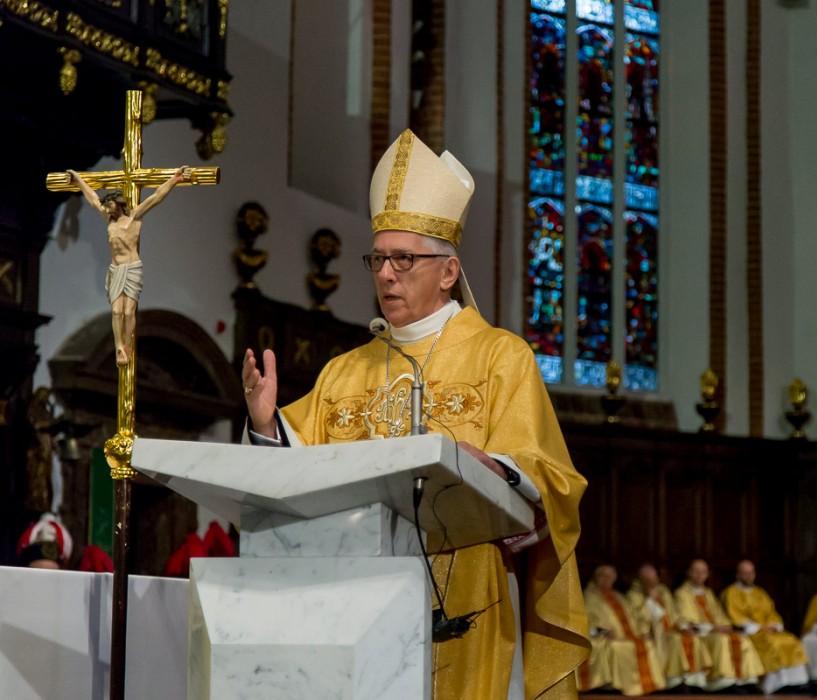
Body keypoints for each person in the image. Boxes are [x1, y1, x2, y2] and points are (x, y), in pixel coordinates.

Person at [240, 129, 589, 699]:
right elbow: (295, 481)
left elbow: (551, 478)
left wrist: (493, 471)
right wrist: (265, 423)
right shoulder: (344, 372)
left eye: (404, 259)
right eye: (378, 258)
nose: (385, 273)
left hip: (470, 596)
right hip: (357, 607)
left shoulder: (500, 358)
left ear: (448, 272)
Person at [67, 166, 190, 365]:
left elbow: (156, 197)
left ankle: (128, 345)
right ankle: (119, 346)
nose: (107, 208)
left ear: (119, 204)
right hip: (116, 269)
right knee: (116, 311)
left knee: (128, 311)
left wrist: (174, 180)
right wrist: (79, 180)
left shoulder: (134, 217)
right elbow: (93, 199)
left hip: (132, 268)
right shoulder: (109, 220)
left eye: (110, 205)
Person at [673, 558, 763, 691]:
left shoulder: (708, 593)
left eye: (703, 572)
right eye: (696, 571)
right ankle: (721, 682)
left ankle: (747, 680)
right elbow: (688, 621)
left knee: (741, 639)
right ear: (689, 573)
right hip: (701, 633)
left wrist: (725, 626)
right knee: (721, 640)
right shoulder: (682, 593)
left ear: (707, 574)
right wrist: (713, 628)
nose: (700, 575)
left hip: (714, 631)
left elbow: (719, 615)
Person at [721, 559, 809, 695]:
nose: (749, 576)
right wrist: (760, 628)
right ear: (738, 574)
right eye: (745, 573)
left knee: (792, 641)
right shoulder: (731, 593)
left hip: (768, 630)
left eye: (751, 573)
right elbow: (735, 617)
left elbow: (771, 612)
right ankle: (775, 685)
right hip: (750, 632)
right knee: (773, 643)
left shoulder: (760, 592)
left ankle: (796, 682)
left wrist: (774, 626)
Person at [577, 564, 666, 696]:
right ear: (596, 577)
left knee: (646, 644)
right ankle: (614, 685)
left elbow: (634, 617)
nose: (607, 580)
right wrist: (603, 631)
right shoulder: (589, 597)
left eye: (610, 577)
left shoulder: (619, 597)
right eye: (603, 576)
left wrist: (642, 632)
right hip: (601, 637)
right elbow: (584, 620)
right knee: (619, 647)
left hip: (626, 636)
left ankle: (646, 686)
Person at [626, 563, 712, 689]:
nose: (651, 581)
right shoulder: (634, 595)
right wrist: (650, 597)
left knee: (692, 638)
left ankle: (692, 681)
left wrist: (684, 627)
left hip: (671, 629)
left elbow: (674, 613)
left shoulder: (663, 590)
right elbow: (642, 618)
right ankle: (673, 681)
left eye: (653, 577)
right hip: (654, 632)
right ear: (640, 579)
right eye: (646, 579)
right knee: (676, 640)